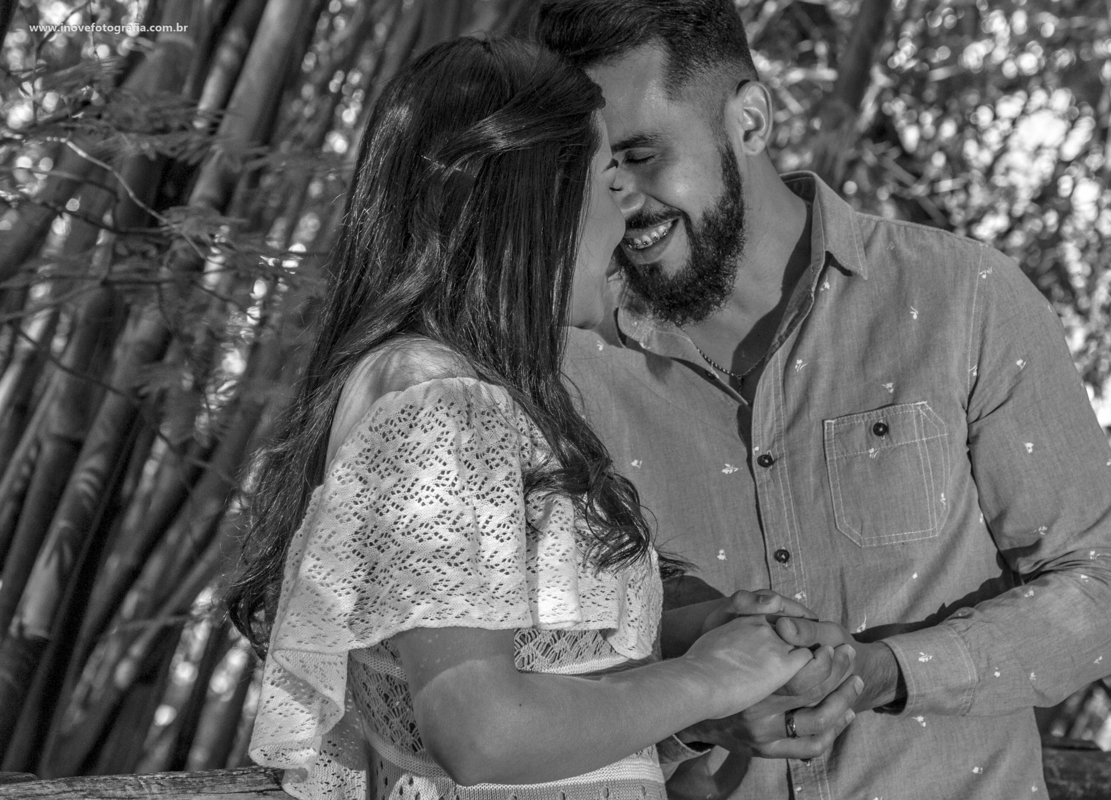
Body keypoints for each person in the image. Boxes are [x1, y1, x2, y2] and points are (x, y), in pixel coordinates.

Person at [534, 2, 1111, 797]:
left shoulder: (961, 297)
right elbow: (538, 671)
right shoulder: (559, 373)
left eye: (640, 154)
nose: (621, 200)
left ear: (750, 120)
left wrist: (887, 671)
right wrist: (693, 713)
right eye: (594, 171)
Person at [223, 35, 828, 800]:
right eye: (609, 177)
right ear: (538, 202)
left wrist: (694, 636)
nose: (629, 211)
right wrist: (709, 680)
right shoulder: (436, 401)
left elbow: (533, 663)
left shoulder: (479, 399)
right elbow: (482, 728)